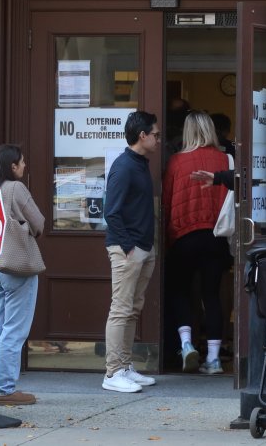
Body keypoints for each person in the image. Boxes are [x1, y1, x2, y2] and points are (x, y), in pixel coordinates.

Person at [161, 111, 231, 374]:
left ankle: (187, 344)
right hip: (215, 237)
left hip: (184, 236)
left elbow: (166, 202)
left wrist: (168, 238)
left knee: (180, 291)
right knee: (211, 296)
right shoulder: (225, 159)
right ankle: (213, 359)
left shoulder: (176, 162)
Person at [0, 144, 46, 405]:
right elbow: (39, 222)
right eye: (22, 162)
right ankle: (5, 388)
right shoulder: (15, 188)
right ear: (12, 166)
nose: (25, 166)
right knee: (14, 330)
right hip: (18, 268)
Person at [101, 110, 161, 393]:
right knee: (121, 309)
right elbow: (110, 211)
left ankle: (124, 366)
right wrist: (128, 247)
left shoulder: (139, 164)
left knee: (132, 310)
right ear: (142, 136)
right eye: (156, 135)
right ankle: (112, 373)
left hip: (143, 247)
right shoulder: (124, 166)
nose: (158, 139)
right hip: (129, 249)